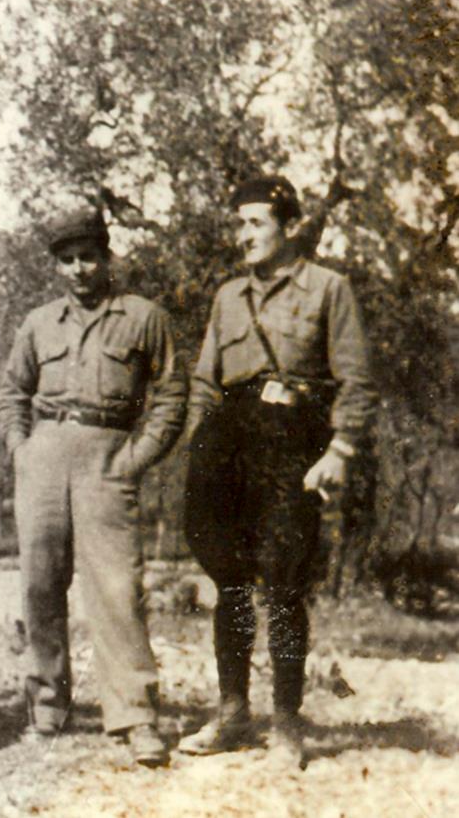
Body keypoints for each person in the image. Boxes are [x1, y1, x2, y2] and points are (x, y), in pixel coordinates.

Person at [179, 177, 375, 766]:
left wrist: (339, 452)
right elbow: (203, 381)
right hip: (228, 446)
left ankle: (287, 722)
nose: (243, 235)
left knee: (285, 586)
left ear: (289, 226)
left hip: (293, 444)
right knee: (230, 583)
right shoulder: (228, 297)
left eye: (256, 223)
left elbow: (357, 381)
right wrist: (197, 444)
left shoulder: (327, 289)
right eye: (238, 224)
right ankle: (233, 712)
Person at [0, 206, 185, 767]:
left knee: (118, 587)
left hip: (109, 455)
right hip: (46, 455)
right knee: (40, 584)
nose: (79, 269)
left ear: (107, 257)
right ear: (58, 266)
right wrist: (21, 450)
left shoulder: (144, 318)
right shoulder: (38, 323)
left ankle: (134, 714)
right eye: (68, 260)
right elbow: (12, 393)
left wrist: (137, 458)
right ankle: (48, 705)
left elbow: (172, 396)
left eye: (88, 257)